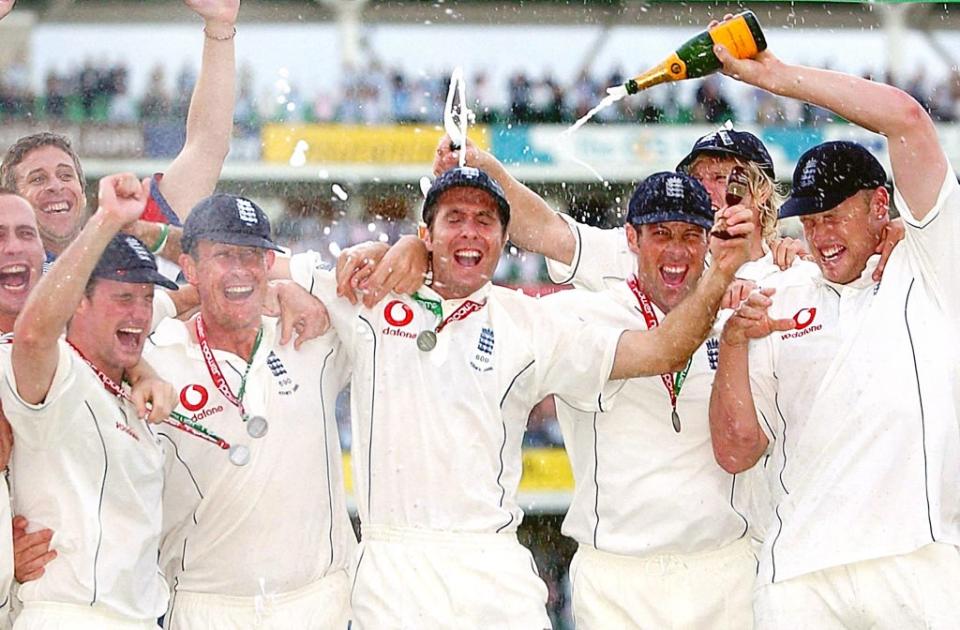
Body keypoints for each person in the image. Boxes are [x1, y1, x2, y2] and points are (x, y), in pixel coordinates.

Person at [280, 165, 754, 627]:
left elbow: (660, 351)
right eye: (454, 219)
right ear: (426, 233)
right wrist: (298, 289)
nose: (470, 233)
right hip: (392, 565)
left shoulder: (529, 322)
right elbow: (249, 273)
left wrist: (721, 274)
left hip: (493, 564)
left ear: (505, 239)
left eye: (485, 221)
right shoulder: (370, 294)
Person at [708, 39, 960, 627]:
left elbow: (907, 120)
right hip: (799, 575)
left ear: (881, 206)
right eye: (811, 220)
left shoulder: (932, 269)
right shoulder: (776, 294)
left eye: (834, 216)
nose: (820, 236)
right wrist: (735, 347)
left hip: (916, 561)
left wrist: (775, 77)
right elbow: (736, 451)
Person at [507, 171, 753, 628]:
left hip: (725, 568)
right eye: (660, 234)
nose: (676, 250)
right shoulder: (585, 313)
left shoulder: (741, 312)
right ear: (632, 239)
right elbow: (498, 279)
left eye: (690, 235)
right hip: (618, 576)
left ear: (710, 241)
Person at [145, 194, 355, 629]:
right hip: (208, 607)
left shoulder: (312, 335)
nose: (241, 270)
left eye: (253, 255)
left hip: (320, 602)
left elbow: (377, 289)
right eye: (223, 255)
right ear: (190, 267)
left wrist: (298, 287)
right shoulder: (154, 359)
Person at [1, 173, 177, 629]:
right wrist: (106, 220)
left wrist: (286, 290)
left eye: (146, 297)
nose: (139, 312)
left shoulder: (131, 391)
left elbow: (206, 288)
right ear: (77, 303)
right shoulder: (56, 374)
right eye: (123, 297)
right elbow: (34, 335)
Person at [0, 0, 239, 273]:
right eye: (38, 178)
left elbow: (207, 146)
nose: (56, 186)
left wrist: (220, 25)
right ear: (11, 200)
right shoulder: (7, 269)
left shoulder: (133, 241)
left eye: (66, 175)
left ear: (84, 194)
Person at [0, 188, 45, 629]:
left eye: (25, 233)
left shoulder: (88, 340)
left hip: (61, 597)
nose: (12, 246)